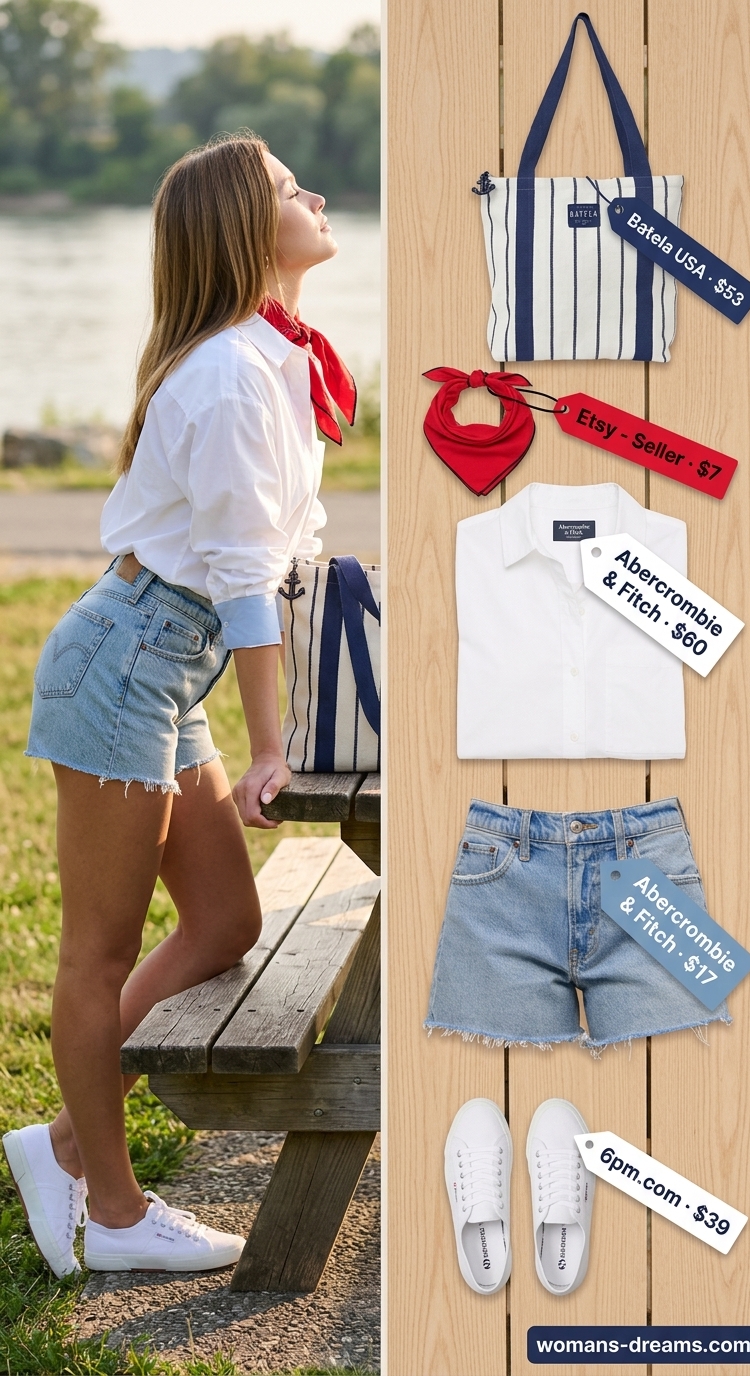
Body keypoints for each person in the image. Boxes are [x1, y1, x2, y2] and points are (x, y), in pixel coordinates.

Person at [2, 134, 356, 1276]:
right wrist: (273, 742)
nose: (312, 189)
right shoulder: (228, 375)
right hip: (129, 662)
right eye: (285, 186)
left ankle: (64, 1137)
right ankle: (109, 1211)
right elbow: (245, 578)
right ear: (245, 233)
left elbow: (281, 558)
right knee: (96, 954)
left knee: (226, 923)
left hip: (166, 658)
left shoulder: (265, 359)